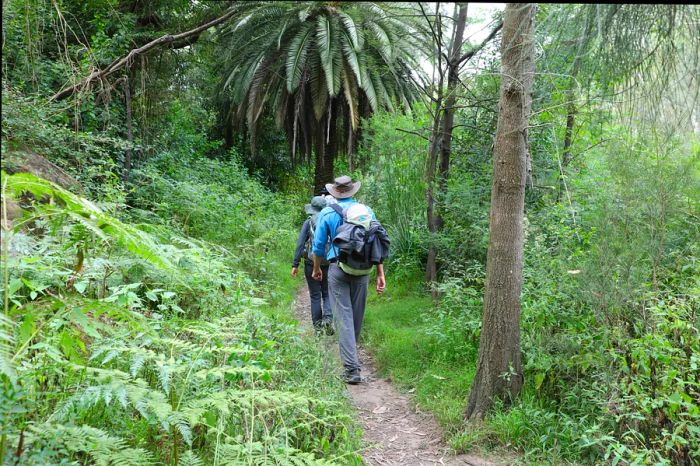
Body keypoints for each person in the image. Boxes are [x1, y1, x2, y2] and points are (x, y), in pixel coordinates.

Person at [312, 176, 387, 384]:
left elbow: (318, 247)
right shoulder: (367, 211)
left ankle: (352, 369)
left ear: (335, 192)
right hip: (363, 270)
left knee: (343, 317)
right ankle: (352, 357)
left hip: (338, 269)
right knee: (356, 317)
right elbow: (376, 242)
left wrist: (317, 269)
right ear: (352, 191)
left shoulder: (327, 212)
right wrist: (380, 273)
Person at [292, 195, 334, 335]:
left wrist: (295, 264)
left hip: (311, 263)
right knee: (327, 294)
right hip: (328, 262)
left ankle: (318, 330)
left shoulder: (308, 222)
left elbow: (300, 244)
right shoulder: (330, 220)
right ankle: (328, 319)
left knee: (315, 295)